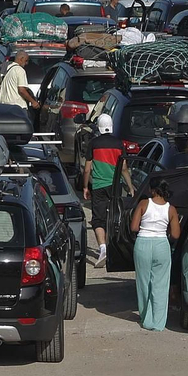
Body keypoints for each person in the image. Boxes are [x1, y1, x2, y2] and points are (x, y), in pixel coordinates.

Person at [130, 178, 180, 331]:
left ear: (152, 190)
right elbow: (176, 235)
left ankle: (147, 319)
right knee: (160, 284)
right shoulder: (171, 209)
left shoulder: (144, 204)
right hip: (161, 245)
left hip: (143, 244)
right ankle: (158, 323)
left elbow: (134, 227)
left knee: (143, 283)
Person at [82, 113, 121, 267]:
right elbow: (123, 167)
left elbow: (87, 169)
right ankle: (114, 247)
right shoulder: (118, 144)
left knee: (98, 218)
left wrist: (85, 186)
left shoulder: (94, 143)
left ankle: (102, 248)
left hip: (98, 186)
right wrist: (130, 186)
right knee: (115, 216)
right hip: (115, 185)